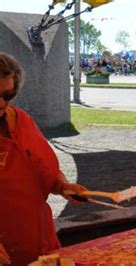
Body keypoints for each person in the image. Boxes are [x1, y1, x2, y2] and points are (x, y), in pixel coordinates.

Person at [0, 52, 88, 265]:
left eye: (8, 95)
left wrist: (63, 185)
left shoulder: (23, 120)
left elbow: (44, 166)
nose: (1, 103)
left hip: (41, 241)